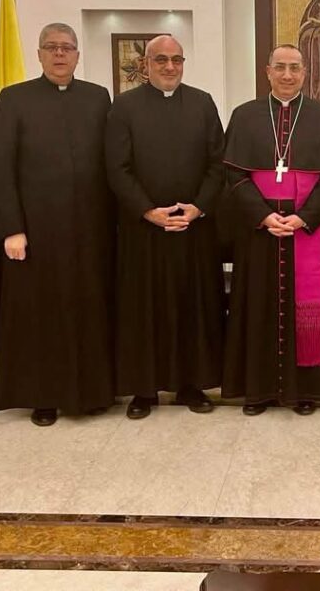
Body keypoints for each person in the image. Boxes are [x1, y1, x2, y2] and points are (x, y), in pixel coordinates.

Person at [0, 23, 114, 426]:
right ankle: (43, 397)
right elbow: (0, 168)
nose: (60, 54)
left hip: (89, 229)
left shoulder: (98, 97)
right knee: (41, 314)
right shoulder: (14, 99)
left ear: (78, 55)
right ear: (39, 54)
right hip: (36, 229)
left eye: (67, 48)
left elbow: (110, 161)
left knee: (88, 309)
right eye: (51, 47)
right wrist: (12, 228)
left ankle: (92, 393)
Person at [223, 44, 320, 415]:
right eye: (280, 67)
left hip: (305, 230)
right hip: (259, 232)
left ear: (305, 72)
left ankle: (305, 391)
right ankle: (257, 391)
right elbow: (234, 175)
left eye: (295, 67)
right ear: (268, 71)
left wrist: (305, 217)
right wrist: (263, 216)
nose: (288, 75)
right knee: (256, 308)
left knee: (305, 311)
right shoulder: (244, 116)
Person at [106, 34, 225, 419]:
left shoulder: (202, 103)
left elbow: (218, 163)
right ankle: (144, 390)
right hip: (144, 232)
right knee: (145, 311)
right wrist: (147, 211)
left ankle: (192, 385)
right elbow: (117, 168)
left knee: (194, 308)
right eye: (161, 60)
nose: (170, 67)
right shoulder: (124, 107)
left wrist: (198, 208)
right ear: (146, 64)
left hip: (193, 230)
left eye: (176, 59)